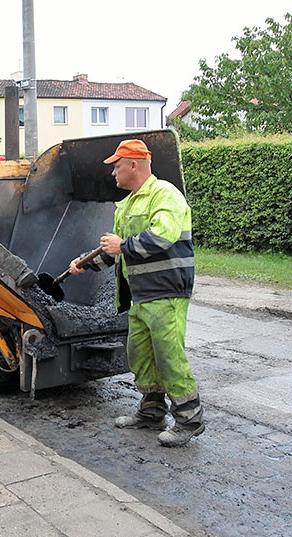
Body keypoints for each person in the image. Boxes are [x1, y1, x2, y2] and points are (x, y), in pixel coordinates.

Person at [69, 139, 203, 447]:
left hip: (166, 293)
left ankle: (189, 419)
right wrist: (84, 264)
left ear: (134, 164)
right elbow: (116, 252)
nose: (113, 172)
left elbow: (163, 236)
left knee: (169, 356)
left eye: (116, 166)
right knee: (141, 355)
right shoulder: (127, 204)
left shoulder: (165, 194)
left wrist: (123, 245)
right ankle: (151, 411)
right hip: (140, 296)